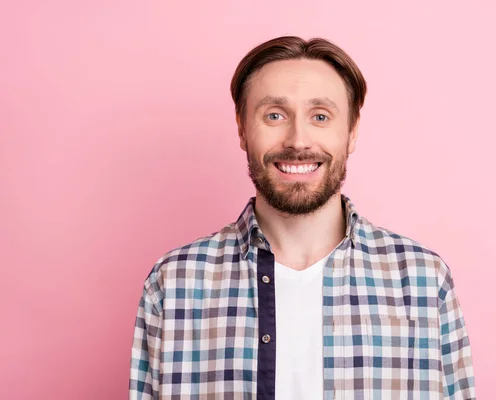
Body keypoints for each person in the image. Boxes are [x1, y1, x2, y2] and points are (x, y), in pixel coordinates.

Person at [129, 36, 476, 400]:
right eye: (275, 115)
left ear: (352, 131)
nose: (298, 140)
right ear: (242, 129)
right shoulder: (174, 284)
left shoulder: (423, 281)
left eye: (320, 116)